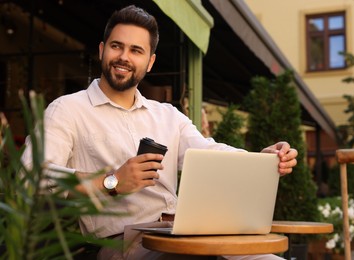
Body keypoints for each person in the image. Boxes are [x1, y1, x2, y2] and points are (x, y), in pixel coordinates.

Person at [22, 5, 298, 260]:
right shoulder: (68, 109)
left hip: (183, 233)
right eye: (116, 46)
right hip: (122, 243)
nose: (124, 57)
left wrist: (260, 158)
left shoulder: (167, 115)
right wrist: (111, 182)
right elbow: (30, 178)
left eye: (136, 50)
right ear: (102, 49)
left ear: (150, 62)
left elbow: (210, 152)